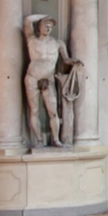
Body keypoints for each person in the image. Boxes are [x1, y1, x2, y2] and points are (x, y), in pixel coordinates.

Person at [23, 15, 83, 149]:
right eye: (46, 25)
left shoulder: (58, 43)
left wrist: (74, 61)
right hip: (32, 77)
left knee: (53, 112)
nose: (48, 28)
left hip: (48, 78)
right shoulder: (32, 40)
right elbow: (28, 20)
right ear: (39, 27)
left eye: (50, 26)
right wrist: (44, 17)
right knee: (34, 111)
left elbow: (66, 59)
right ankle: (39, 140)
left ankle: (56, 140)